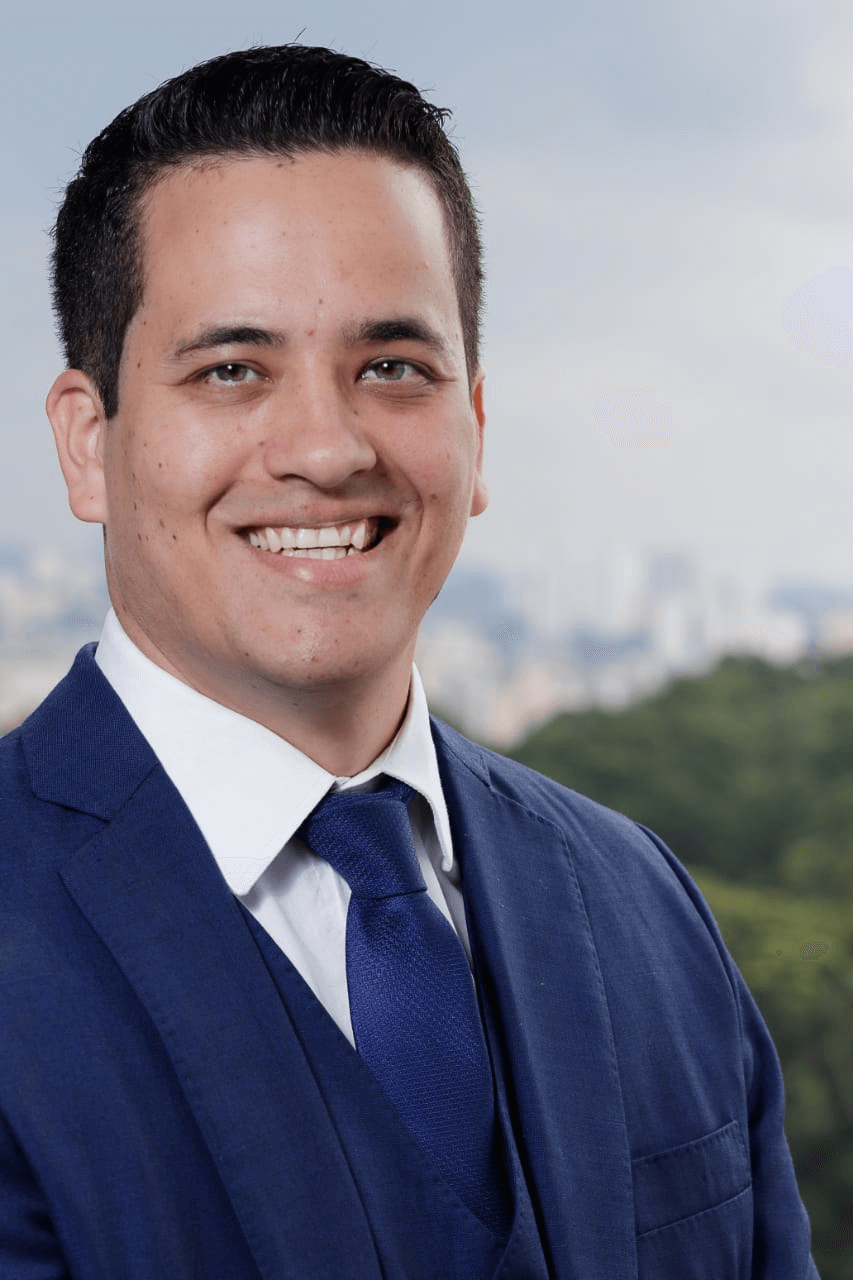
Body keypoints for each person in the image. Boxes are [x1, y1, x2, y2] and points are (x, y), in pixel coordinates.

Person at [0, 44, 818, 1280]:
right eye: (232, 369)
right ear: (87, 441)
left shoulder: (643, 902)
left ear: (472, 426)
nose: (327, 448)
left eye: (392, 367)